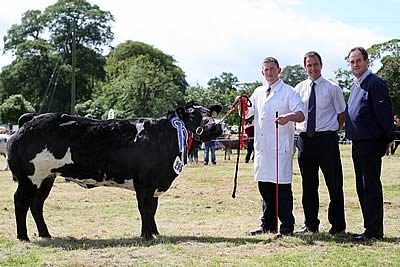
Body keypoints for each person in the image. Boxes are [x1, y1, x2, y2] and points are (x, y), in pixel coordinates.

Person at [239, 57, 305, 236]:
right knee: (264, 185)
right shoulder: (259, 91)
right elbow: (247, 112)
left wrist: (288, 117)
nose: (269, 73)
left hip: (279, 146)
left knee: (281, 188)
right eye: (266, 70)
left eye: (272, 69)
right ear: (262, 72)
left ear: (279, 70)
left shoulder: (288, 92)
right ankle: (267, 224)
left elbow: (301, 114)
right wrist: (241, 104)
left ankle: (286, 226)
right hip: (262, 148)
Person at [294, 51, 347, 235]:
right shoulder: (299, 88)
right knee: (308, 185)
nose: (312, 68)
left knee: (334, 184)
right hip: (305, 141)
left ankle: (338, 225)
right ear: (305, 67)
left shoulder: (333, 88)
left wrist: (332, 130)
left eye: (315, 64)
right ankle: (310, 224)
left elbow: (342, 115)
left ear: (321, 65)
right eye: (309, 65)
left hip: (327, 140)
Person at [346, 47, 395, 241]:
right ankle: (369, 228)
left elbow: (384, 112)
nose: (355, 65)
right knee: (362, 186)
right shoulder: (357, 84)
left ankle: (375, 231)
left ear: (367, 61)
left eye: (358, 60)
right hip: (357, 143)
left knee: (371, 186)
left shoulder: (374, 83)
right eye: (352, 62)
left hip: (370, 142)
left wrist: (389, 137)